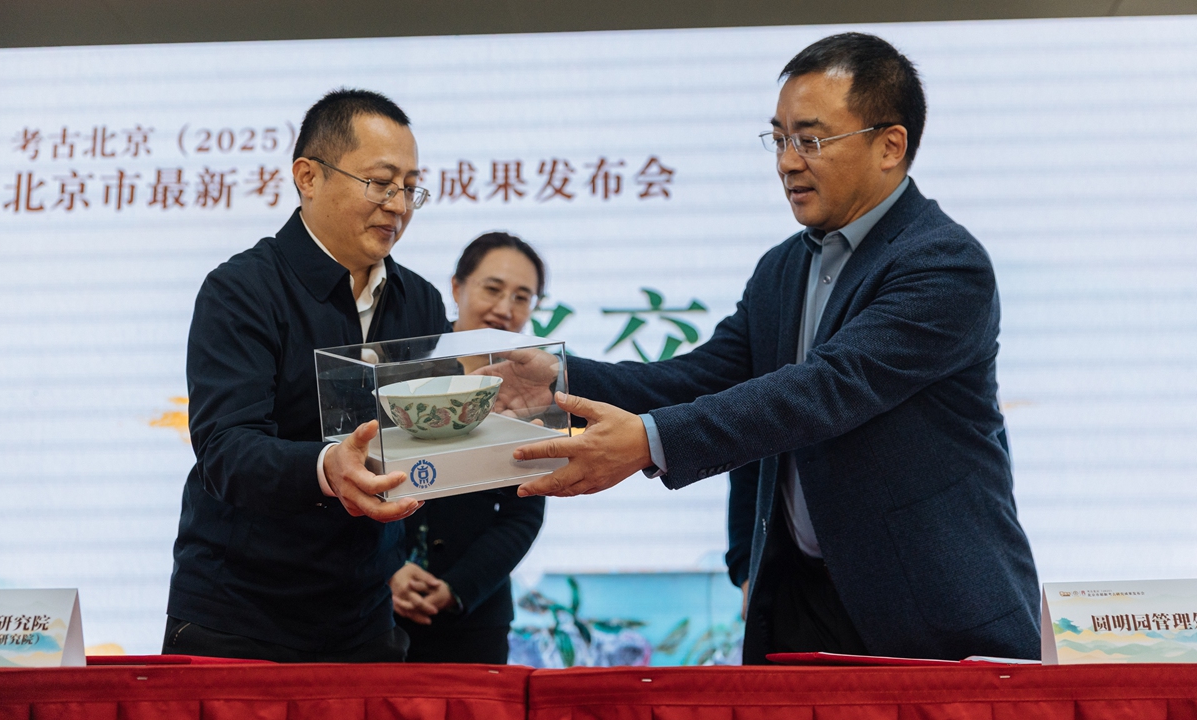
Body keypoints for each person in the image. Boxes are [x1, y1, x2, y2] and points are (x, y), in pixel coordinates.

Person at [495, 33, 1041, 663]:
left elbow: (827, 390)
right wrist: (561, 378)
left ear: (890, 145)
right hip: (798, 603)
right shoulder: (782, 268)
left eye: (810, 139)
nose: (786, 161)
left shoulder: (943, 264)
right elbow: (705, 378)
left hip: (929, 609)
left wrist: (647, 441)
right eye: (778, 138)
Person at [163, 89, 452, 662]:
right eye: (380, 181)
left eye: (410, 187)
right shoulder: (241, 290)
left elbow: (422, 440)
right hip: (238, 615)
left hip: (365, 615)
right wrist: (327, 467)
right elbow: (226, 449)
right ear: (308, 176)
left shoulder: (420, 301)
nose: (398, 204)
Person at [388, 232, 548, 664]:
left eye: (522, 296)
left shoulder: (532, 388)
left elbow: (525, 514)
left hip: (476, 617)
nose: (504, 308)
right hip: (378, 610)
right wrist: (389, 570)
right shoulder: (402, 367)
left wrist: (458, 587)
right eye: (492, 289)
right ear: (457, 287)